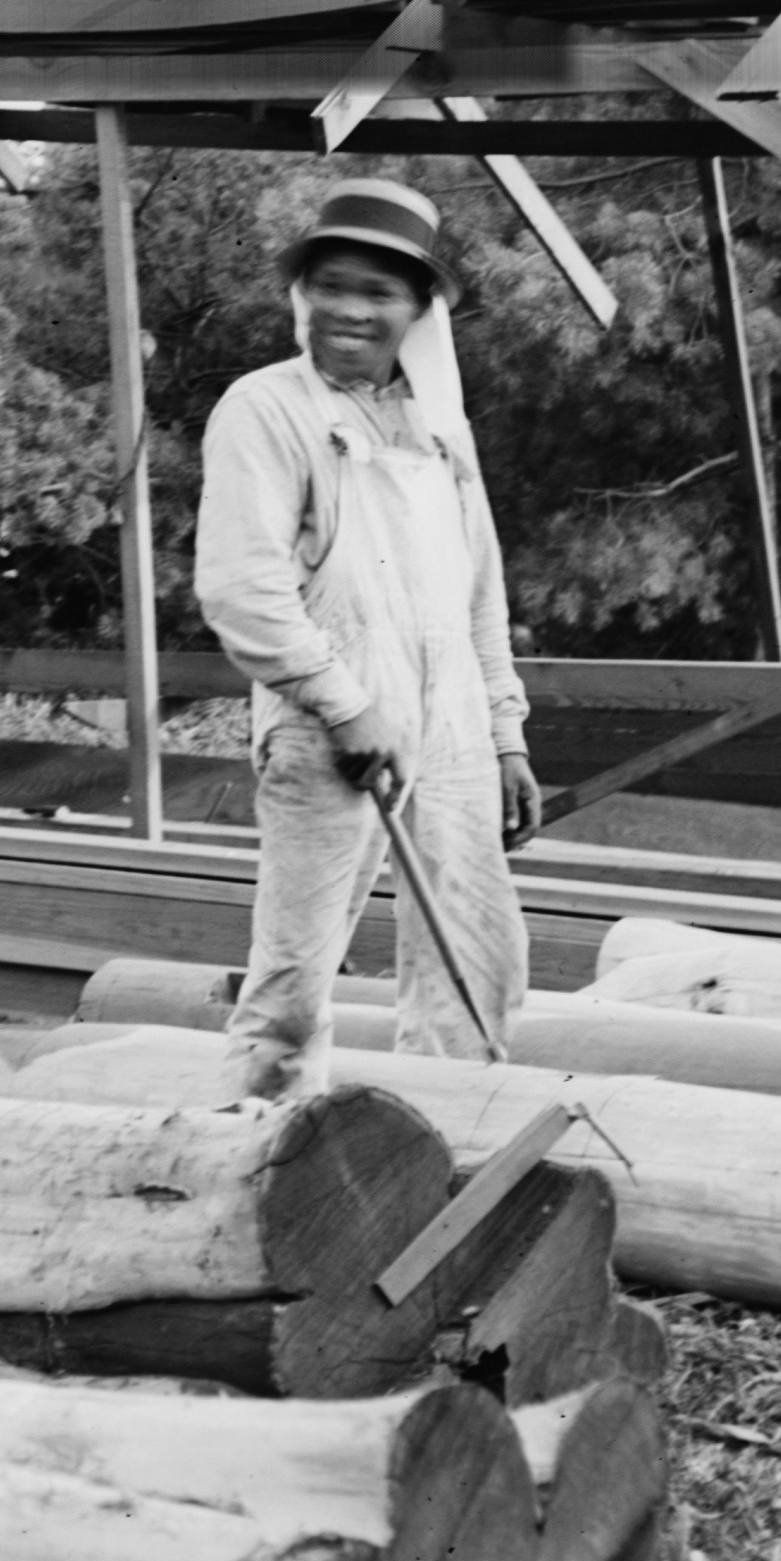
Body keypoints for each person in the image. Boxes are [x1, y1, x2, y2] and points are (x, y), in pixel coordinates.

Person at [192, 176, 540, 1107]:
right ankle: (247, 1161)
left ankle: (445, 1155)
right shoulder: (267, 409)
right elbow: (242, 588)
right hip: (328, 722)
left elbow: (479, 594)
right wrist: (345, 704)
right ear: (301, 293)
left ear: (420, 308)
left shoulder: (441, 427)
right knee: (295, 985)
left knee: (477, 956)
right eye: (331, 285)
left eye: (378, 292)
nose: (349, 308)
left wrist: (503, 732)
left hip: (454, 721)